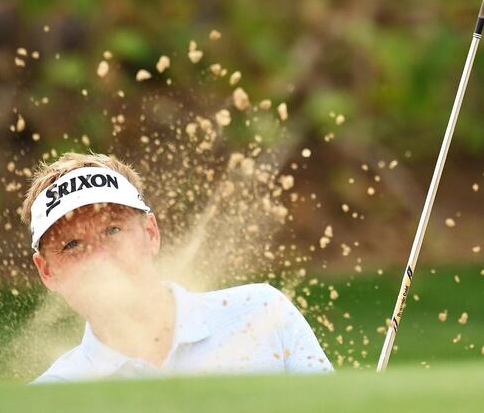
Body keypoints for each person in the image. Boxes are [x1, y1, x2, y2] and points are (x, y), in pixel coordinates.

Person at [21, 152, 333, 383]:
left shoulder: (263, 314)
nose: (100, 257)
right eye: (72, 245)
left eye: (113, 230)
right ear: (47, 271)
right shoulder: (52, 396)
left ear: (150, 233)